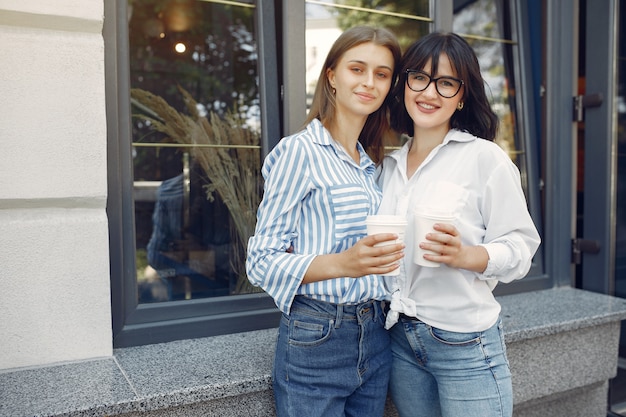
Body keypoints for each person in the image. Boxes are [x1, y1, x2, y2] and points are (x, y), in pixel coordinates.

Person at [377, 32, 541, 417]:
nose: (429, 92)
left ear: (462, 95)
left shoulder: (485, 159)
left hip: (465, 344)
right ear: (404, 85)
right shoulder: (387, 167)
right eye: (419, 77)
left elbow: (521, 248)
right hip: (401, 340)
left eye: (446, 82)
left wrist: (468, 255)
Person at [246, 26, 403, 417]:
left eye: (382, 74)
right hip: (317, 335)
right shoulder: (300, 152)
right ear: (332, 76)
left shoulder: (369, 164)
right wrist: (343, 264)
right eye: (357, 69)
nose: (369, 82)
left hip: (377, 332)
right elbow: (260, 261)